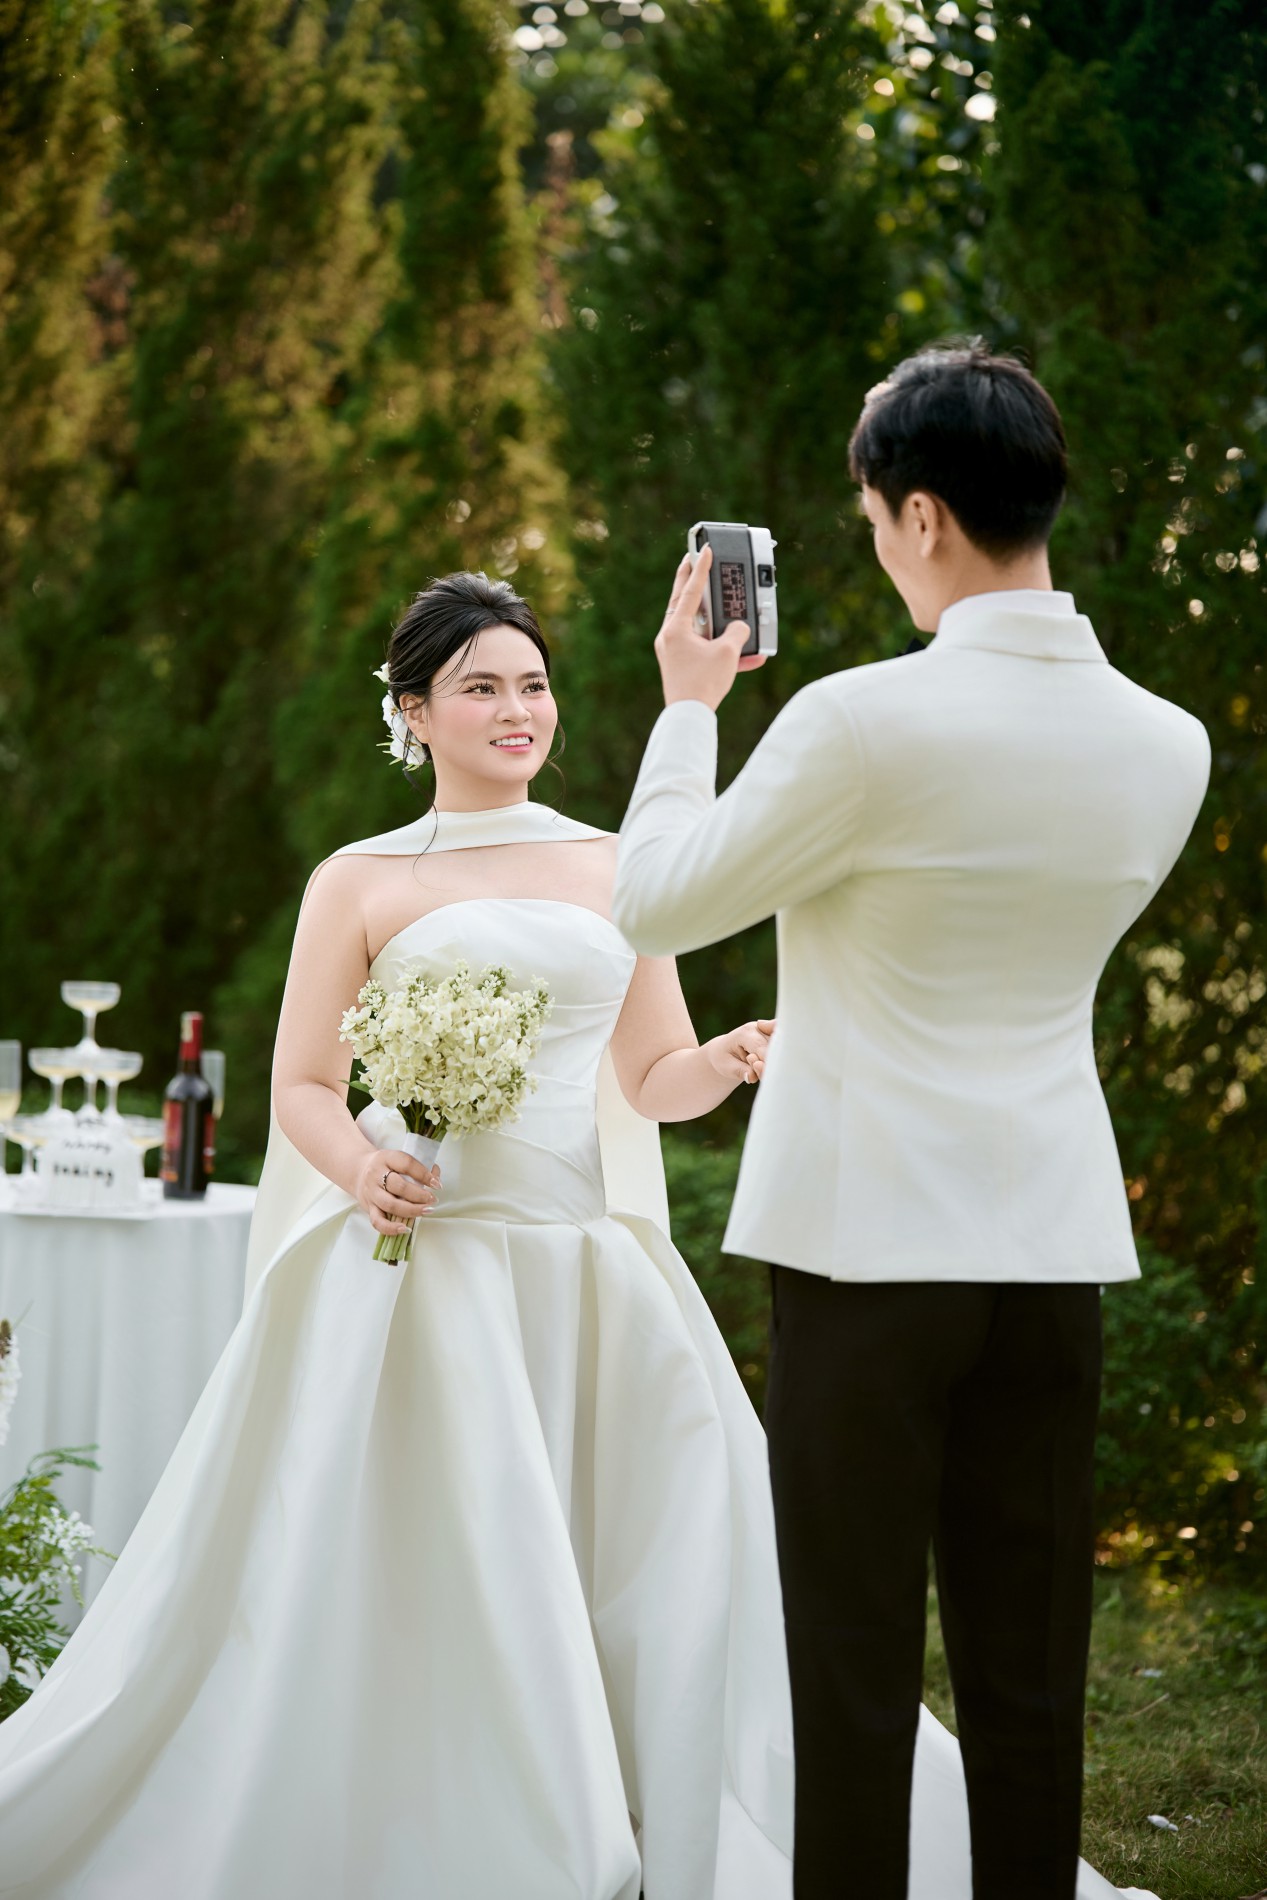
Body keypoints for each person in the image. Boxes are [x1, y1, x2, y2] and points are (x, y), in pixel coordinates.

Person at [0, 566, 1160, 1900]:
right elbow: (304, 1086)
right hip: (416, 1274)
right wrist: (367, 1168)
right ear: (412, 712)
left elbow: (650, 1078)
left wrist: (725, 1058)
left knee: (636, 1561)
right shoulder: (357, 879)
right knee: (418, 1561)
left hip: (579, 1268)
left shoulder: (617, 862)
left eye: (533, 685)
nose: (517, 710)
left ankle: (621, 1788)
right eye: (481, 688)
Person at [612, 344, 1208, 1900]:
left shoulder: (860, 720)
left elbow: (654, 900)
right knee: (1034, 1682)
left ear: (924, 514)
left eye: (877, 520)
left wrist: (688, 710)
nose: (880, 547)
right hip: (1052, 1251)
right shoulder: (1170, 741)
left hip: (862, 1248)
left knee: (855, 1682)